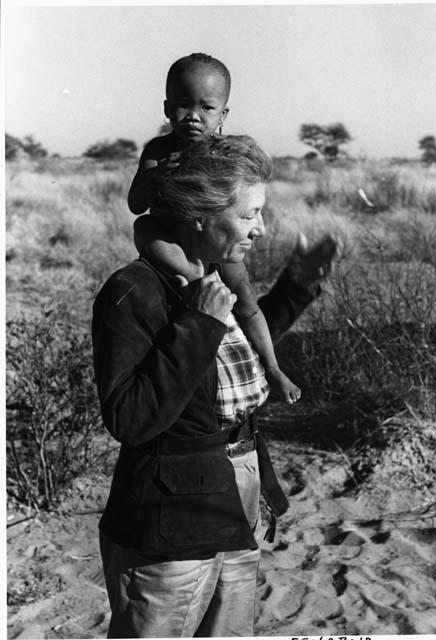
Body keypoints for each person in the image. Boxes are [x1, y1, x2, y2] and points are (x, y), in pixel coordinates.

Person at [93, 134, 334, 638]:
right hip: (170, 517)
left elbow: (227, 353)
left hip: (235, 492)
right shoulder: (134, 290)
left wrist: (295, 288)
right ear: (200, 215)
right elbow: (129, 418)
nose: (261, 230)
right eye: (249, 215)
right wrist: (197, 325)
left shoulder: (207, 280)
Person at [128, 52, 305, 405]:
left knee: (248, 303)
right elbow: (136, 205)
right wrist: (157, 175)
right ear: (166, 107)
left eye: (206, 108)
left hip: (217, 244)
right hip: (174, 242)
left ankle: (272, 367)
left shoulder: (223, 153)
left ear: (223, 115)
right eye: (182, 105)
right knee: (144, 228)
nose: (193, 116)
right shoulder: (158, 151)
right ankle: (196, 280)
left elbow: (241, 200)